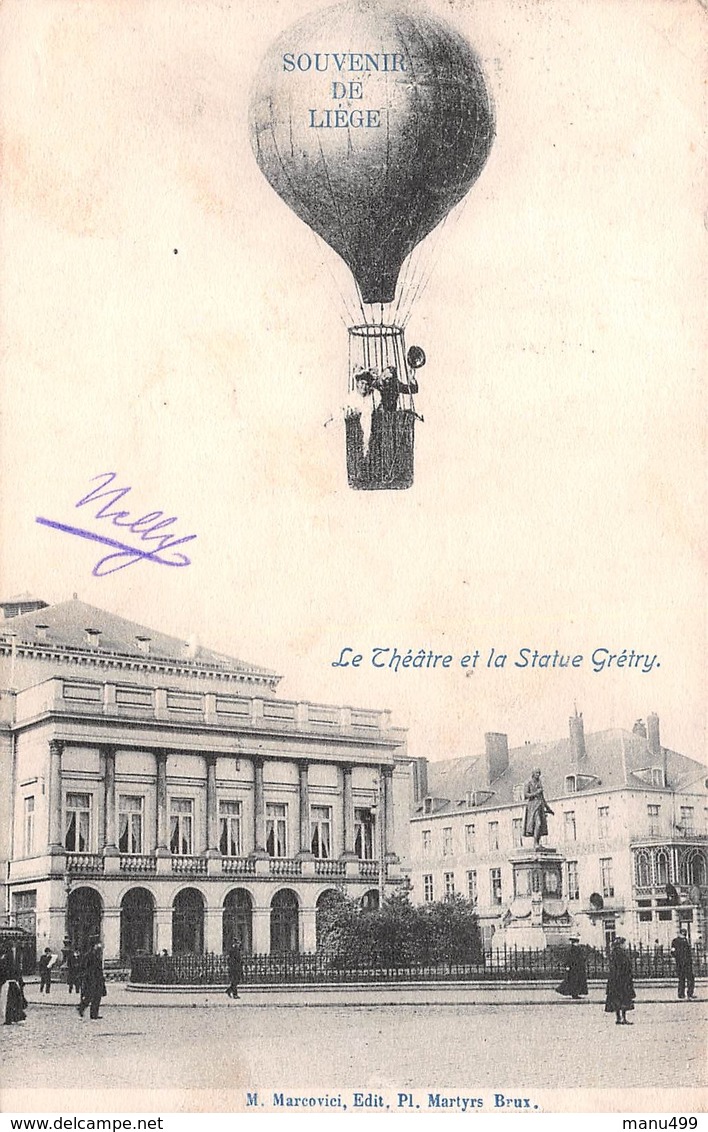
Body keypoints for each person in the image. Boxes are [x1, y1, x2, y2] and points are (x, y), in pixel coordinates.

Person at [604, 937, 635, 1024]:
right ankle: (623, 1018)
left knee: (617, 1000)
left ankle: (618, 1018)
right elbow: (622, 967)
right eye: (624, 944)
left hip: (616, 980)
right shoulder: (620, 954)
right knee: (623, 999)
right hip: (622, 980)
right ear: (620, 944)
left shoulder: (614, 953)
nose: (625, 945)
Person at [523, 768, 555, 850]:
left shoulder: (539, 783)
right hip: (533, 806)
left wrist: (548, 808)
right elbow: (526, 795)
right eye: (536, 773)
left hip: (540, 805)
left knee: (541, 825)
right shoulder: (528, 783)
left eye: (539, 773)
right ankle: (535, 843)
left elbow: (542, 798)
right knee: (538, 823)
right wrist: (536, 793)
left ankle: (537, 842)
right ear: (533, 774)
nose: (538, 775)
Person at [77, 941, 107, 1020]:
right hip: (90, 979)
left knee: (97, 996)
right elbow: (84, 967)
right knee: (89, 996)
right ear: (93, 946)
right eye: (97, 945)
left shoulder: (98, 955)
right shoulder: (88, 956)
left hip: (98, 978)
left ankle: (94, 1014)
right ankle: (81, 1007)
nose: (99, 946)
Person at [0, 943, 27, 1024]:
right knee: (14, 1002)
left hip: (8, 984)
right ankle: (15, 1017)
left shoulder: (4, 961)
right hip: (13, 983)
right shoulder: (10, 961)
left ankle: (10, 1018)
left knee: (8, 1002)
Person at [671, 928, 696, 1000]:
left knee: (682, 979)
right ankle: (689, 994)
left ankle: (681, 994)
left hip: (681, 963)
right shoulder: (684, 941)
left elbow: (672, 952)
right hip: (686, 963)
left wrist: (677, 958)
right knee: (690, 978)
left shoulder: (675, 941)